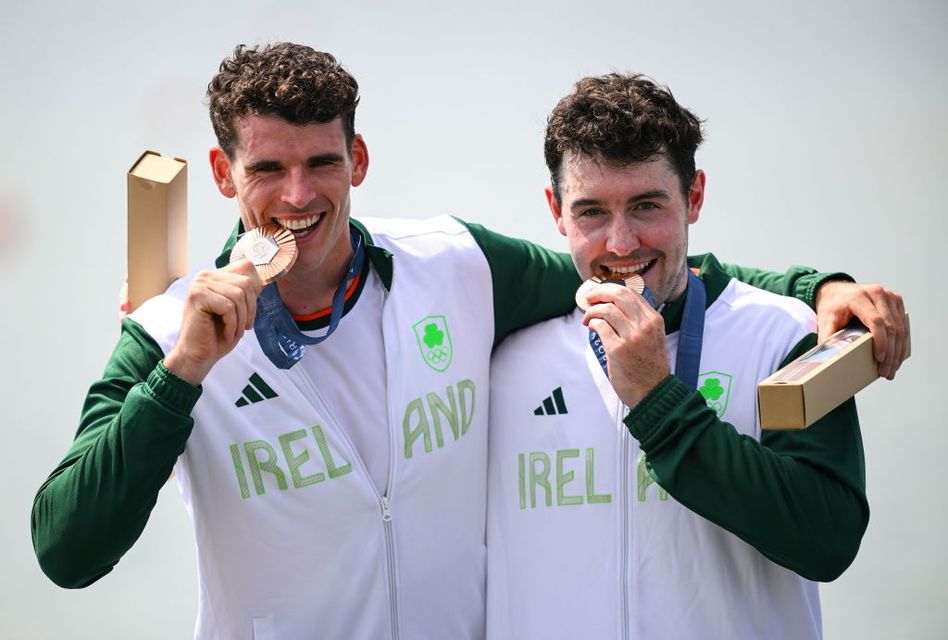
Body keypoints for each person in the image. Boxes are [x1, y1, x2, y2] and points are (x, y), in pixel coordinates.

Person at [31, 44, 907, 640]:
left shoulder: (457, 267)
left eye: (321, 163)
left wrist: (811, 288)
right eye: (267, 169)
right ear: (224, 175)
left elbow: (627, 264)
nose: (297, 196)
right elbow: (66, 553)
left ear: (358, 160)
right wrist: (182, 373)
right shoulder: (166, 332)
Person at [486, 73, 906, 639]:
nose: (622, 243)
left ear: (695, 197)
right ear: (555, 211)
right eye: (590, 212)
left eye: (646, 205)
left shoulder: (785, 337)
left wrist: (658, 400)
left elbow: (828, 540)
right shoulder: (504, 352)